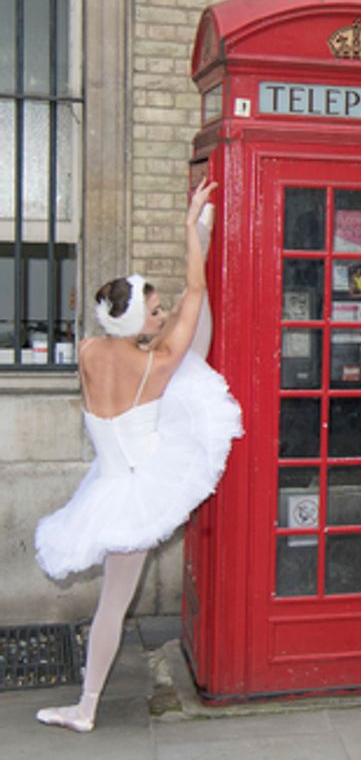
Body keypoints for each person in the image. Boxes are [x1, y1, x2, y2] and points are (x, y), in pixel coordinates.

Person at [34, 178, 242, 731]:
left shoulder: (89, 351)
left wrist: (195, 230)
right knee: (112, 603)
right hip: (140, 487)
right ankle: (85, 707)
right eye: (152, 310)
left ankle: (85, 704)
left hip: (108, 480)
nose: (160, 314)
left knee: (112, 600)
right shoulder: (157, 362)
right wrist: (189, 229)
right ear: (136, 325)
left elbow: (165, 324)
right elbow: (195, 297)